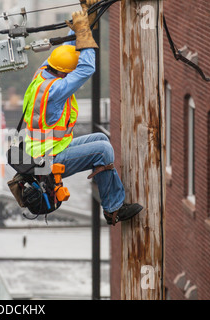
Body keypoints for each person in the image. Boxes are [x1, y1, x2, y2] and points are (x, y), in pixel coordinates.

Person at [22, 1, 143, 226]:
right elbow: (87, 68)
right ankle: (113, 209)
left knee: (100, 139)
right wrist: (85, 33)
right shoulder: (57, 89)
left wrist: (82, 21)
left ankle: (111, 199)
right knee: (104, 150)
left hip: (43, 153)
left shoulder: (43, 73)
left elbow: (67, 49)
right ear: (64, 73)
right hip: (48, 162)